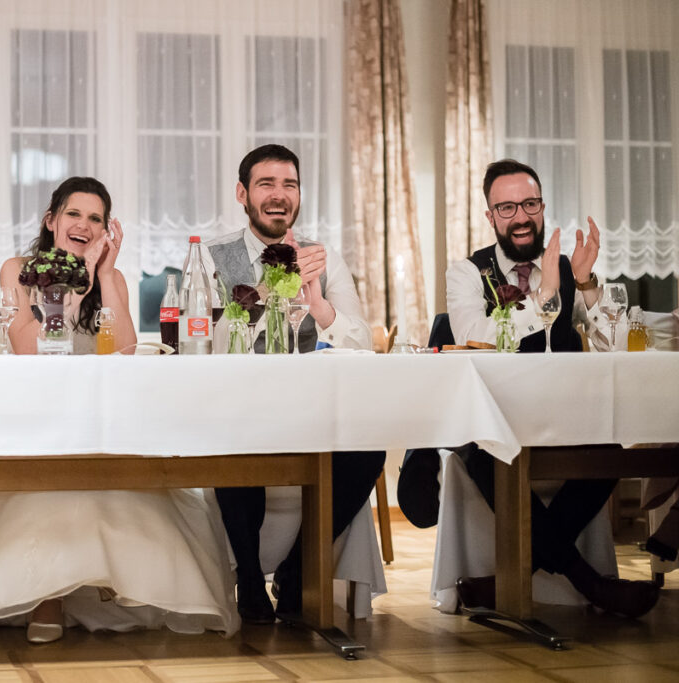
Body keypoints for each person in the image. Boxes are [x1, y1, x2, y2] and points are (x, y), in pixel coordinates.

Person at [0, 177, 239, 647]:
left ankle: (110, 581)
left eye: (96, 218)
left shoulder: (110, 278)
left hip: (94, 418)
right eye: (74, 214)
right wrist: (76, 287)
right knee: (46, 484)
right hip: (29, 417)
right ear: (51, 220)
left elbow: (127, 354)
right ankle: (45, 597)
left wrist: (104, 277)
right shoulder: (17, 270)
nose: (84, 225)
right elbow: (31, 350)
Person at [401, 159, 658, 618]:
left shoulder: (567, 267)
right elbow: (477, 337)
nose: (520, 216)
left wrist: (584, 283)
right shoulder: (466, 273)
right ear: (490, 216)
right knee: (485, 454)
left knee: (612, 451)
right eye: (507, 207)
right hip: (489, 422)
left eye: (530, 204)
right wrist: (544, 299)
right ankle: (591, 584)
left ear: (542, 206)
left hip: (565, 420)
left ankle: (499, 584)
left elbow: (615, 346)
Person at [202, 144, 384, 624]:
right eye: (266, 184)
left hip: (312, 413)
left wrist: (317, 299)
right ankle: (249, 584)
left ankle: (296, 567)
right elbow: (207, 340)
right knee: (230, 447)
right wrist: (269, 286)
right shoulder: (212, 257)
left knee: (370, 451)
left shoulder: (323, 258)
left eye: (290, 185)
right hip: (237, 411)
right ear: (243, 194)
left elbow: (362, 340)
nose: (279, 196)